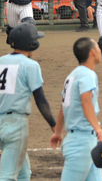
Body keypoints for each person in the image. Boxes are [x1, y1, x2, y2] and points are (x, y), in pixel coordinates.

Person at [0, 23, 56, 181]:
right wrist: (54, 125)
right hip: (15, 125)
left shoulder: (1, 61)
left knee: (24, 174)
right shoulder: (31, 65)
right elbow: (40, 100)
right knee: (7, 176)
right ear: (31, 44)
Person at [49, 37, 102, 180]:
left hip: (86, 140)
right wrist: (98, 128)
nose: (100, 50)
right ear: (93, 52)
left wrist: (58, 131)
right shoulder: (88, 74)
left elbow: (64, 106)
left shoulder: (73, 75)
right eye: (98, 48)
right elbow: (86, 102)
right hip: (82, 143)